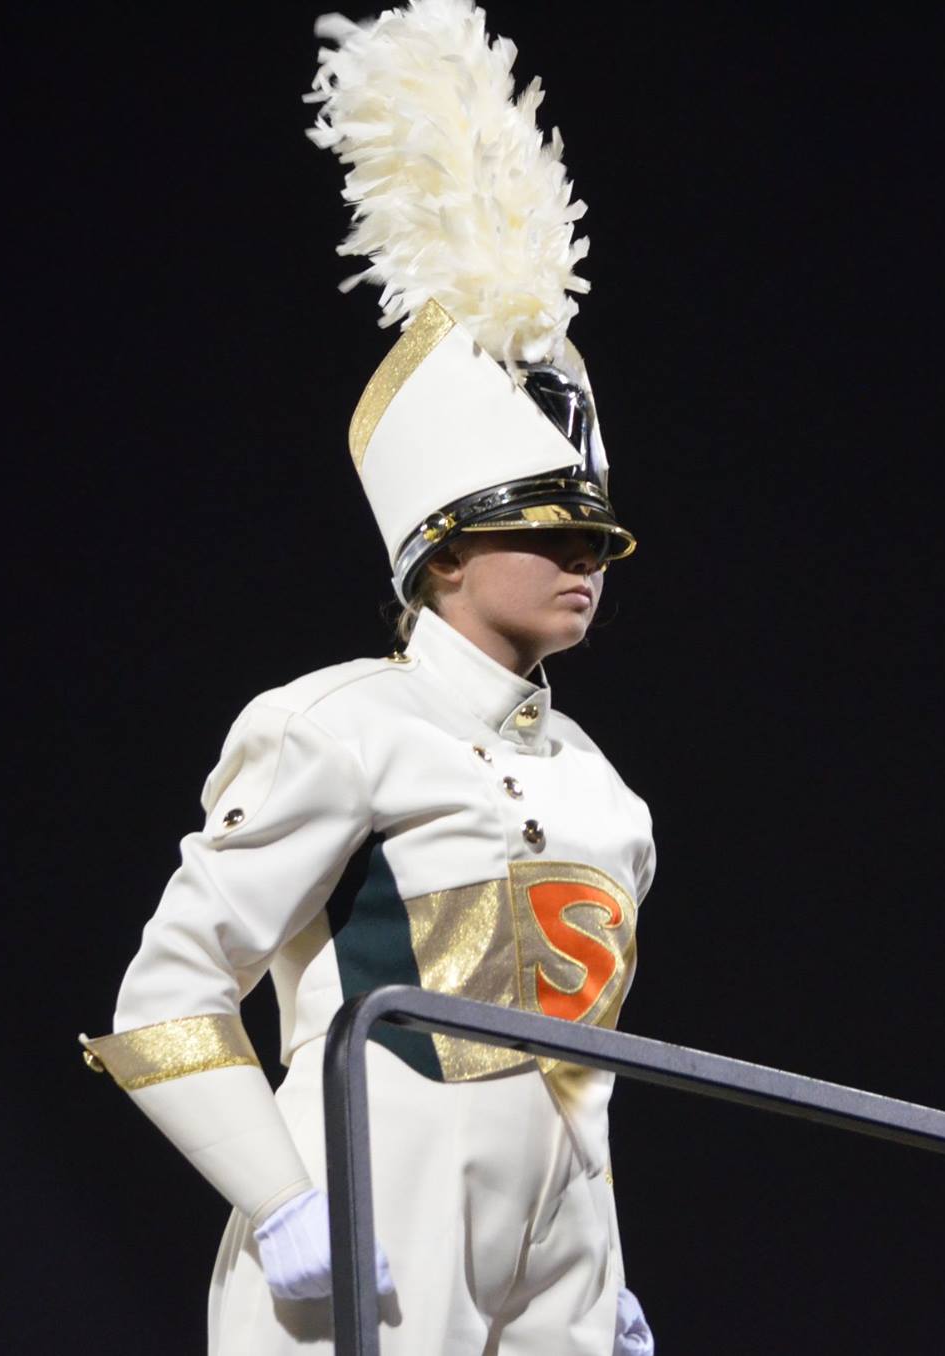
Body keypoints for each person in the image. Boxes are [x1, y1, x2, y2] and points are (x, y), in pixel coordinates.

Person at [81, 2, 656, 1351]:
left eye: (594, 536)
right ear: (441, 554)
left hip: (555, 1263)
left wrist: (599, 1260)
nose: (584, 557)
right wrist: (285, 1202)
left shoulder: (607, 793)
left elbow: (575, 1078)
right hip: (375, 1224)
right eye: (545, 530)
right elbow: (166, 995)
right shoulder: (341, 726)